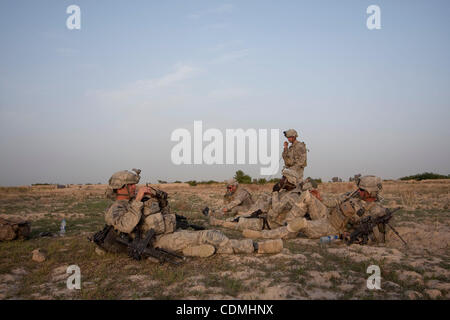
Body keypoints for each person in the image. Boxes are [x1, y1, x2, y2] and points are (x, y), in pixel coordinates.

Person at [98, 169, 283, 258]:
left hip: (170, 233)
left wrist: (158, 198)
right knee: (211, 235)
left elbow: (165, 212)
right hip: (158, 241)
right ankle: (257, 247)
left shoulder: (134, 201)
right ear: (121, 187)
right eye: (131, 185)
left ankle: (190, 250)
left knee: (207, 236)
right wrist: (138, 200)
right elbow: (126, 225)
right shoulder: (116, 208)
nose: (134, 187)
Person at [242, 175, 389, 245]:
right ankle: (286, 226)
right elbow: (334, 202)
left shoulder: (377, 210)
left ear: (371, 192)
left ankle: (264, 235)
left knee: (301, 224)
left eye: (362, 189)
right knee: (306, 196)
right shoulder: (353, 195)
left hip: (333, 228)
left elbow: (376, 237)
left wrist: (351, 236)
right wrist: (320, 198)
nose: (359, 191)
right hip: (327, 215)